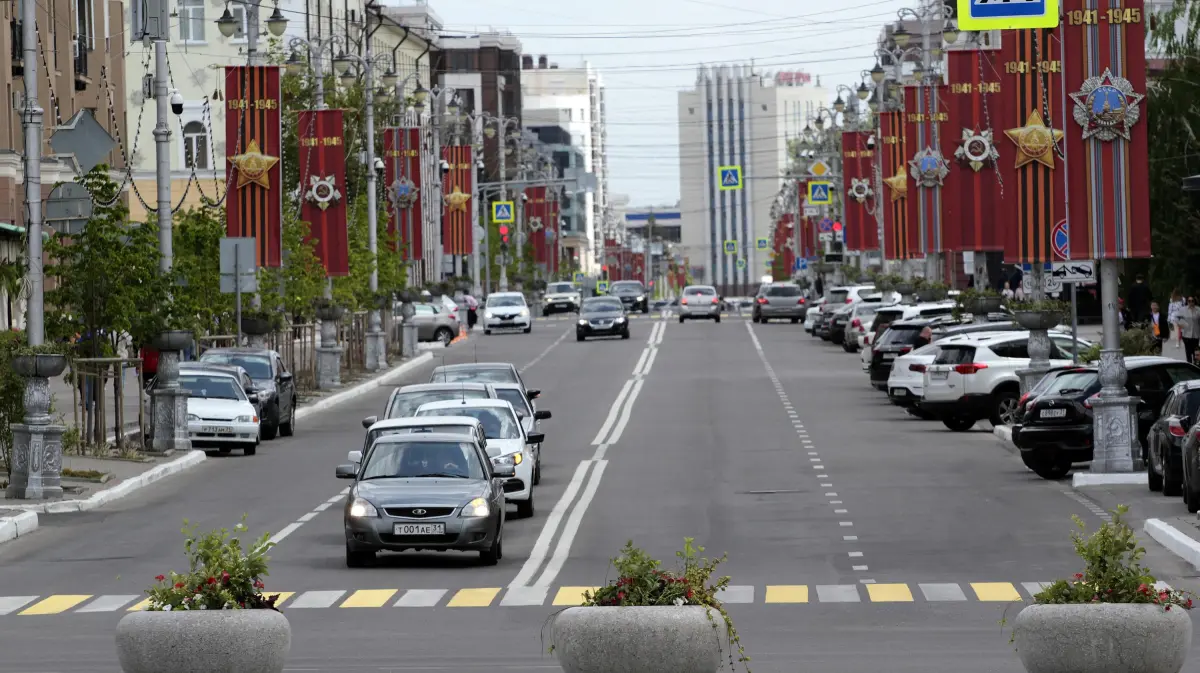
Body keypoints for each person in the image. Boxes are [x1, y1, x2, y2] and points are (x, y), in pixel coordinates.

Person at [1176, 296, 1200, 365]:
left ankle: (1196, 366)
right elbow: (1176, 318)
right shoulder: (1183, 309)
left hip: (1196, 334)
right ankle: (1190, 366)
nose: (1191, 302)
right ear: (1187, 301)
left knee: (1196, 352)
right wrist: (1181, 324)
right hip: (1186, 335)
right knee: (1188, 352)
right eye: (1189, 301)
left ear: (1194, 301)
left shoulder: (1198, 309)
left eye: (1192, 301)